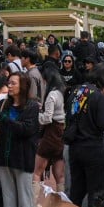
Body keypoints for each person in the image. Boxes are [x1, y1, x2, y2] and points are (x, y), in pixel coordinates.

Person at [66, 65, 104, 207]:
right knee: (96, 191)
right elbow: (102, 123)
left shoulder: (76, 91)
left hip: (75, 147)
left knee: (77, 190)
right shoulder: (98, 96)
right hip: (93, 147)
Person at [0, 72, 40, 207]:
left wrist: (1, 116)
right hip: (4, 159)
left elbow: (26, 129)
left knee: (25, 202)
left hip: (22, 160)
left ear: (23, 86)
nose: (9, 86)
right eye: (8, 83)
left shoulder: (32, 106)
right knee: (8, 201)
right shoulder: (5, 104)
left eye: (13, 83)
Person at [36, 64, 67, 192]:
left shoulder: (51, 95)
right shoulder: (62, 92)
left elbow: (47, 118)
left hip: (50, 135)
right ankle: (61, 205)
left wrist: (36, 115)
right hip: (61, 134)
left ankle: (33, 206)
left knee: (36, 172)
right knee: (60, 175)